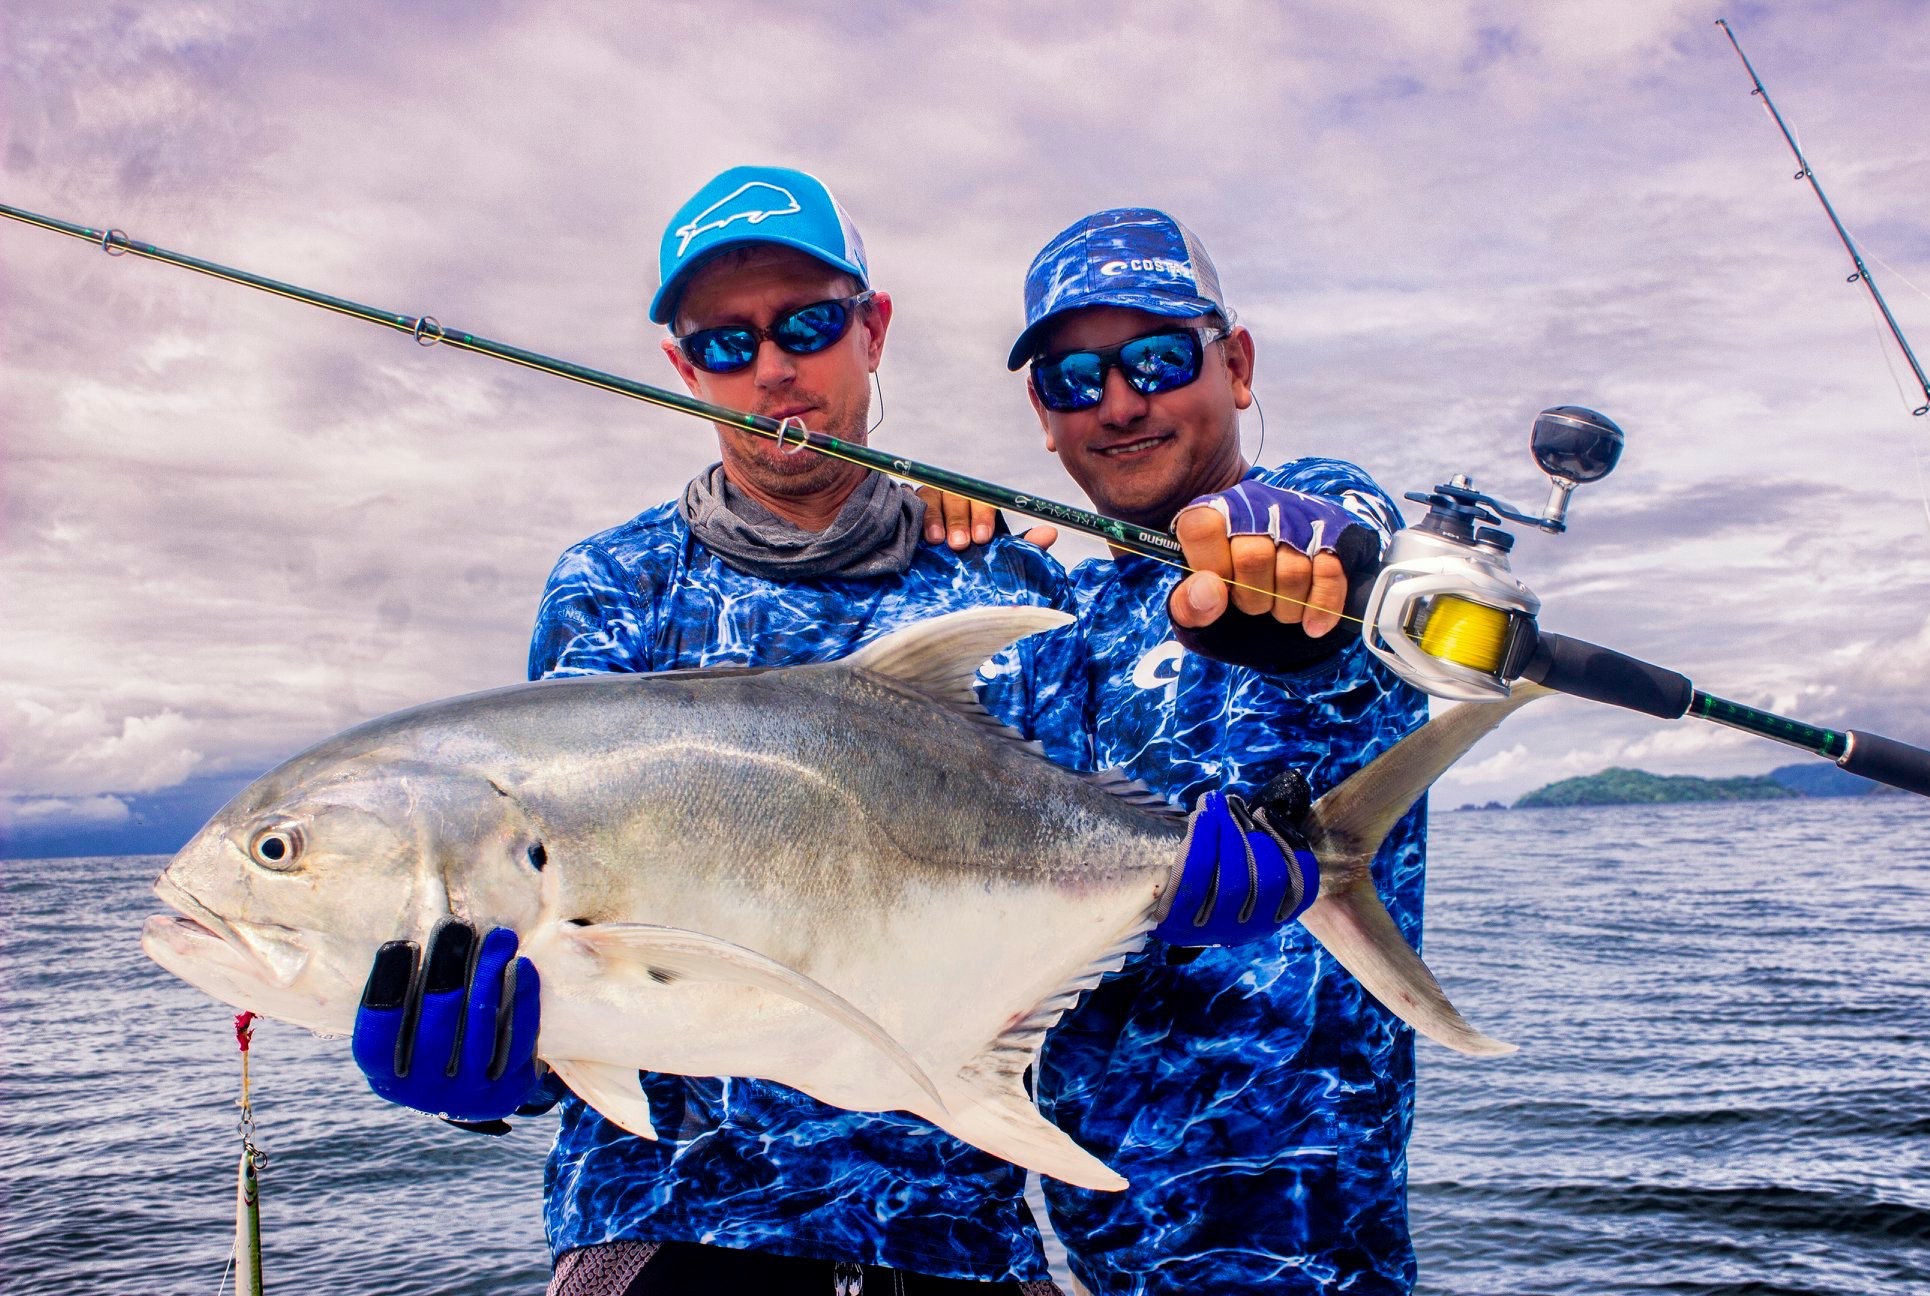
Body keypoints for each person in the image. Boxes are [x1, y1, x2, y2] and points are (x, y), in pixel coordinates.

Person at [353, 165, 1072, 1295]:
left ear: (872, 330)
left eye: (807, 324)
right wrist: (493, 1062)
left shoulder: (998, 576)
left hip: (955, 1225)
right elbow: (572, 913)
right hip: (663, 1228)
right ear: (683, 369)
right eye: (726, 344)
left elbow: (1064, 881)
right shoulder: (613, 586)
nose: (773, 366)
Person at [975, 208, 1430, 1295]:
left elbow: (1343, 527)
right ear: (1044, 417)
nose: (1120, 403)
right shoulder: (1053, 639)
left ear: (1237, 365)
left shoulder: (1317, 518)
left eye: (1159, 358)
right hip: (1091, 1260)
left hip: (1318, 1265)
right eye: (1075, 378)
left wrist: (1296, 581)